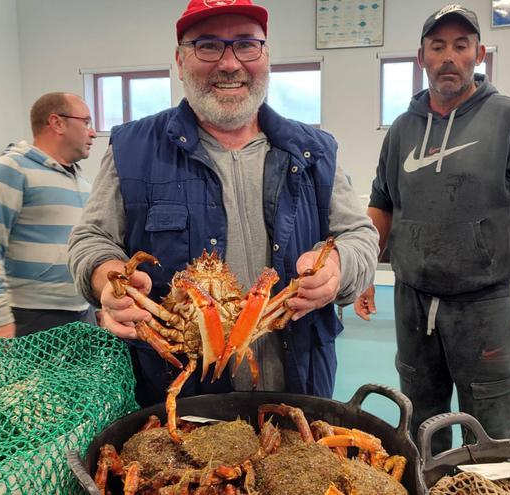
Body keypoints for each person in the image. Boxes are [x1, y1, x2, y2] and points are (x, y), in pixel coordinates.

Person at [68, 0, 378, 407]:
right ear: (180, 61)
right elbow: (91, 238)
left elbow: (359, 235)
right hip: (174, 397)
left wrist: (337, 269)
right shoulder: (132, 148)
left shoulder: (314, 151)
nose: (230, 64)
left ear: (265, 56)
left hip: (299, 386)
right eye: (209, 46)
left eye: (246, 45)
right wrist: (106, 276)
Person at [355, 4, 510, 453]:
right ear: (422, 58)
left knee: (488, 428)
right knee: (420, 420)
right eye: (438, 47)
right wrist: (363, 273)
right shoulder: (401, 130)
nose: (449, 57)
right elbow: (382, 204)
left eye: (460, 46)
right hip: (413, 301)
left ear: (479, 54)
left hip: (485, 306)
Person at [0, 92, 98, 340]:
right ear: (57, 123)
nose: (92, 133)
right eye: (86, 122)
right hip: (32, 317)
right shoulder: (10, 170)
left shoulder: (81, 181)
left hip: (82, 313)